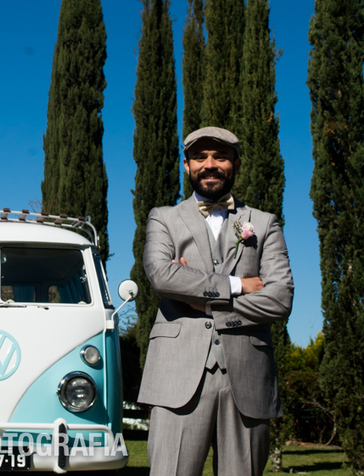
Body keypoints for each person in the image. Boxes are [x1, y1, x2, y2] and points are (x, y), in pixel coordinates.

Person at [137, 127, 293, 476]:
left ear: (235, 164)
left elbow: (280, 298)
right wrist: (239, 285)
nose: (210, 165)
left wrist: (205, 304)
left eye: (220, 157)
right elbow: (163, 276)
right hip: (177, 377)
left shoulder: (264, 224)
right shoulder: (163, 218)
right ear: (187, 165)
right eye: (200, 157)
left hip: (248, 378)